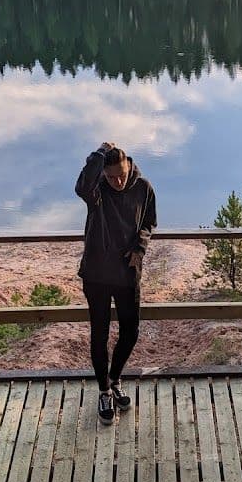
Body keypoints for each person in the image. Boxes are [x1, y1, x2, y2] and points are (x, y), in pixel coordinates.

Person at [75, 141, 157, 424]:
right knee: (99, 334)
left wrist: (140, 248)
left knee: (130, 331)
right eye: (111, 177)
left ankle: (115, 377)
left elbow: (149, 222)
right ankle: (104, 391)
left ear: (129, 166)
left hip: (127, 272)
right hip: (96, 275)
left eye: (121, 175)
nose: (118, 181)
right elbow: (81, 187)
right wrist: (97, 154)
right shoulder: (97, 191)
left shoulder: (143, 187)